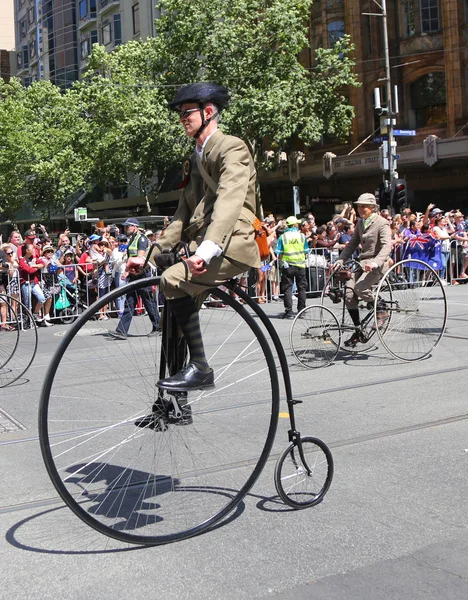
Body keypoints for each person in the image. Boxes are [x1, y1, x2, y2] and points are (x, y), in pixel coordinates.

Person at [126, 82, 261, 392]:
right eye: (180, 113)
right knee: (173, 327)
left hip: (231, 243)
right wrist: (146, 257)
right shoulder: (195, 157)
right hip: (201, 245)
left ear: (208, 112)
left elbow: (229, 199)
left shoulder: (232, 147)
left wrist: (205, 252)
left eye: (187, 112)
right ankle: (173, 403)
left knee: (172, 280)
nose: (182, 118)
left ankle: (200, 368)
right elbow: (181, 216)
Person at [333, 193, 392, 347]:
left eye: (364, 206)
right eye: (359, 206)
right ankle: (358, 330)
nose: (360, 209)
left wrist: (376, 263)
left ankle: (381, 309)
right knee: (348, 294)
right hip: (362, 264)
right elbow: (351, 245)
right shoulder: (360, 223)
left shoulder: (382, 223)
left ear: (373, 207)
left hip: (376, 264)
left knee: (360, 288)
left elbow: (387, 246)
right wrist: (340, 260)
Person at [108, 218, 160, 338]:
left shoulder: (141, 239)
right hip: (134, 274)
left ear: (135, 227)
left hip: (141, 273)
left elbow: (140, 258)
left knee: (148, 301)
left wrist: (127, 271)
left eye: (128, 226)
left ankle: (158, 326)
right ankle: (121, 331)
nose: (126, 229)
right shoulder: (132, 239)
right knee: (129, 302)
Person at [275, 216, 308, 319]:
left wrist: (281, 262)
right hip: (300, 266)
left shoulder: (283, 237)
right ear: (294, 225)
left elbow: (279, 253)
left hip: (288, 266)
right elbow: (306, 252)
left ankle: (289, 312)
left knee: (288, 289)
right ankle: (301, 311)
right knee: (301, 288)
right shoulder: (302, 236)